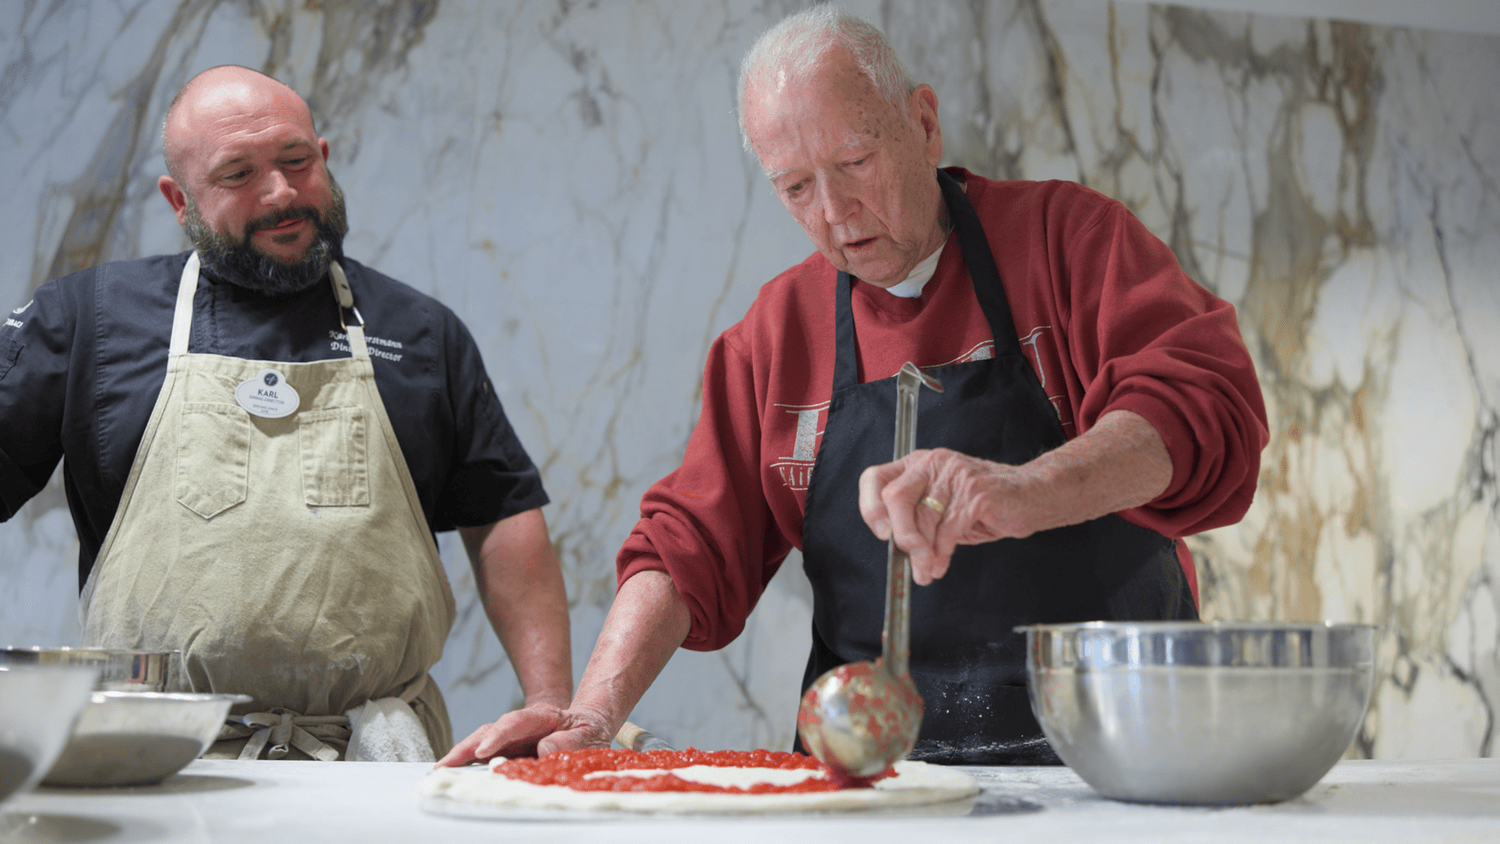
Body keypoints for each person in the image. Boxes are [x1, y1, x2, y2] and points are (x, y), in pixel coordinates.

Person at [440, 6, 1267, 768]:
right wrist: (591, 712)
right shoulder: (774, 335)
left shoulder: (1068, 242)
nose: (834, 213)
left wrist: (1028, 490)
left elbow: (1200, 403)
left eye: (855, 161)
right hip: (870, 775)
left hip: (1118, 757)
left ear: (924, 123)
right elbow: (685, 542)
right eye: (796, 187)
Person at [0, 66, 572, 762]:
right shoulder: (90, 318)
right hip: (156, 761)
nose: (279, 193)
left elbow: (503, 515)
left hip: (375, 766)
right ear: (180, 199)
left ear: (323, 158)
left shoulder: (421, 332)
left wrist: (548, 705)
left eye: (296, 161)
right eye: (238, 174)